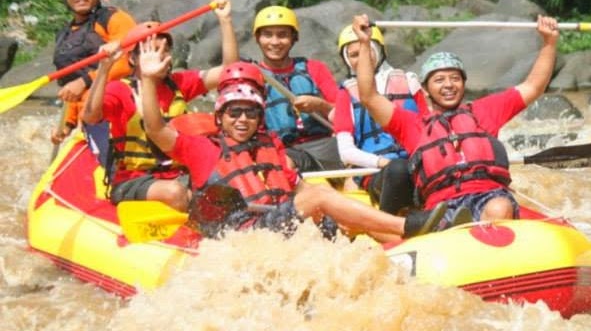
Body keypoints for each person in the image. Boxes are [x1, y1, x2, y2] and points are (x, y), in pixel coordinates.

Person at [138, 60, 446, 241]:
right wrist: (150, 79)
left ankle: (415, 240)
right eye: (234, 113)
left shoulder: (271, 146)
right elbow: (155, 128)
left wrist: (332, 211)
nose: (242, 119)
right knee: (321, 197)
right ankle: (408, 226)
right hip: (245, 235)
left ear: (259, 116)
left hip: (282, 227)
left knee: (333, 210)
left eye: (250, 112)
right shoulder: (201, 149)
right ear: (220, 117)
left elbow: (298, 187)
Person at [351, 13, 561, 224]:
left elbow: (534, 86)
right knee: (443, 217)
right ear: (425, 90)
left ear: (463, 84)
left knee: (500, 207)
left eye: (455, 78)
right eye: (439, 80)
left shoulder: (484, 111)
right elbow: (369, 96)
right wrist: (364, 43)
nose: (449, 85)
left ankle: (483, 228)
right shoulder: (412, 125)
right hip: (440, 205)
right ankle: (451, 226)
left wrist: (549, 43)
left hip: (488, 196)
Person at [81, 0, 237, 212]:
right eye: (152, 50)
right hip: (133, 179)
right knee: (174, 192)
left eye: (165, 50)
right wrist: (104, 69)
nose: (161, 57)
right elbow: (90, 117)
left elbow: (230, 72)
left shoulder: (180, 83)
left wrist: (226, 20)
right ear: (133, 59)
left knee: (231, 183)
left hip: (180, 174)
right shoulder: (120, 89)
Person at [333, 23, 429, 215]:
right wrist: (383, 163)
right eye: (354, 55)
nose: (362, 59)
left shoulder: (408, 81)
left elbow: (430, 129)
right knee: (399, 171)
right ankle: (393, 223)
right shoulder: (346, 93)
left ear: (379, 51)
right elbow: (346, 152)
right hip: (375, 170)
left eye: (367, 51)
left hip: (415, 163)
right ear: (346, 59)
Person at [51, 0, 137, 145]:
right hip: (84, 118)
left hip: (116, 111)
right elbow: (70, 87)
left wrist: (84, 81)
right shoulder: (64, 35)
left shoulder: (115, 19)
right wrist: (67, 124)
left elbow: (126, 63)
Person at [250, 6, 343, 172]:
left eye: (282, 35)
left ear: (294, 38)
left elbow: (345, 116)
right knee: (286, 161)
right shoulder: (252, 75)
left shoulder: (315, 68)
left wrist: (321, 106)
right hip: (284, 151)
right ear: (257, 38)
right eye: (267, 34)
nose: (275, 42)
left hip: (325, 144)